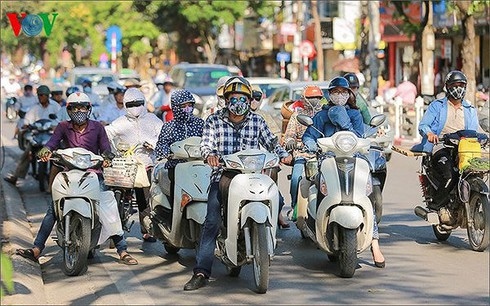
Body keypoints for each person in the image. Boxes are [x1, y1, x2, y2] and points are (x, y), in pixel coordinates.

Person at [183, 76, 292, 291]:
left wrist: (284, 155)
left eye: (243, 98)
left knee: (277, 198)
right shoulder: (214, 121)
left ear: (249, 100)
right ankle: (202, 271)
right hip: (223, 176)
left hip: (254, 176)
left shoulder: (257, 121)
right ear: (226, 100)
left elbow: (271, 142)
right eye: (234, 98)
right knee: (212, 220)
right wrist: (210, 155)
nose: (239, 103)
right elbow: (207, 145)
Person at [15, 92, 138, 265]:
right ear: (69, 110)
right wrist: (45, 150)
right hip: (69, 173)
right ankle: (37, 249)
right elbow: (52, 143)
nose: (79, 111)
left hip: (93, 173)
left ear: (89, 109)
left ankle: (122, 250)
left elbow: (105, 148)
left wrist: (108, 157)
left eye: (82, 107)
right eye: (75, 108)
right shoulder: (63, 127)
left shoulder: (98, 127)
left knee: (108, 207)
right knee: (54, 208)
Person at [302, 77, 385, 269]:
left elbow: (359, 136)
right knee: (319, 188)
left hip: (354, 159)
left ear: (349, 94)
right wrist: (312, 145)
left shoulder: (355, 114)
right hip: (328, 160)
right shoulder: (321, 116)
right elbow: (310, 135)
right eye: (335, 92)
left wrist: (342, 118)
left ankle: (374, 243)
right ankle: (318, 223)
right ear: (329, 95)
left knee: (368, 194)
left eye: (343, 92)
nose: (339, 96)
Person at [411, 70, 484, 208]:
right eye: (455, 85)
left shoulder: (470, 109)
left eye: (461, 85)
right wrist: (430, 134)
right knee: (450, 176)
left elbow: (474, 131)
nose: (459, 88)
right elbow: (423, 125)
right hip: (441, 146)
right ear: (447, 87)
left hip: (464, 148)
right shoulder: (437, 106)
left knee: (474, 173)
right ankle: (436, 205)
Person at [105, 88, 163, 243]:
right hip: (126, 165)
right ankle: (112, 228)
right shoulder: (120, 122)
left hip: (147, 164)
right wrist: (111, 148)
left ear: (144, 103)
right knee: (112, 194)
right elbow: (107, 133)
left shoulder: (153, 119)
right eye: (131, 104)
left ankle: (147, 230)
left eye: (138, 103)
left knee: (145, 198)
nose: (135, 107)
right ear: (125, 105)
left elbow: (163, 137)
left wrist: (153, 144)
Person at [4, 85, 61, 187]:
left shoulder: (55, 106)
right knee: (26, 154)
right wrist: (26, 125)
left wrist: (56, 126)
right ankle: (16, 176)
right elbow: (27, 120)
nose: (41, 97)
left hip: (51, 136)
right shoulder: (34, 108)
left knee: (60, 154)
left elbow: (61, 119)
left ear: (48, 96)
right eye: (39, 95)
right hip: (38, 135)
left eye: (43, 95)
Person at [249, 85, 289, 229]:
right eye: (250, 97)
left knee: (272, 178)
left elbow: (275, 137)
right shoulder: (237, 116)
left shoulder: (264, 116)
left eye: (257, 97)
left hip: (264, 158)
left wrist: (280, 154)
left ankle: (277, 212)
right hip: (243, 161)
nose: (253, 101)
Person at [154, 89, 204, 201]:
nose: (187, 108)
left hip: (198, 166)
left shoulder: (200, 123)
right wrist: (166, 153)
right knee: (174, 194)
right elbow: (161, 145)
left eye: (190, 105)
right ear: (176, 107)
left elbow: (208, 142)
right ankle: (173, 214)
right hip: (176, 167)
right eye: (183, 105)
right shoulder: (169, 126)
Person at [283, 85, 323, 221]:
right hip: (302, 154)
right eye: (310, 98)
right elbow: (289, 135)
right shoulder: (297, 115)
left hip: (322, 155)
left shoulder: (324, 113)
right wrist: (290, 141)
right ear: (304, 99)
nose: (313, 100)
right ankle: (295, 206)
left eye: (316, 98)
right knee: (296, 178)